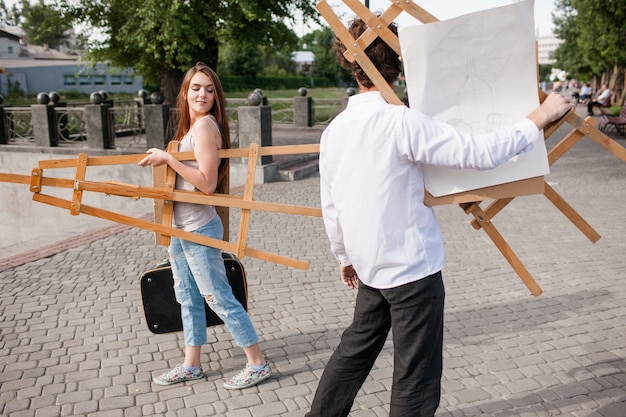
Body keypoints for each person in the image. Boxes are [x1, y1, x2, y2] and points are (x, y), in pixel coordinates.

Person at [306, 17, 573, 417]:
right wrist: (541, 115)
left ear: (351, 63)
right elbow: (479, 155)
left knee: (354, 352)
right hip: (412, 271)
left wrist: (343, 255)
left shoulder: (336, 129)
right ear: (399, 66)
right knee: (415, 377)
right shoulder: (401, 122)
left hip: (369, 265)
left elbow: (331, 202)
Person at [138, 62, 271, 389]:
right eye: (196, 88)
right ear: (184, 93)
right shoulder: (190, 129)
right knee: (186, 296)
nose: (203, 94)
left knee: (217, 296)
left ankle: (257, 362)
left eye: (209, 90)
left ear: (216, 96)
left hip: (198, 228)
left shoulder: (205, 127)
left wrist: (169, 159)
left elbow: (207, 183)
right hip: (180, 229)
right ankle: (191, 364)